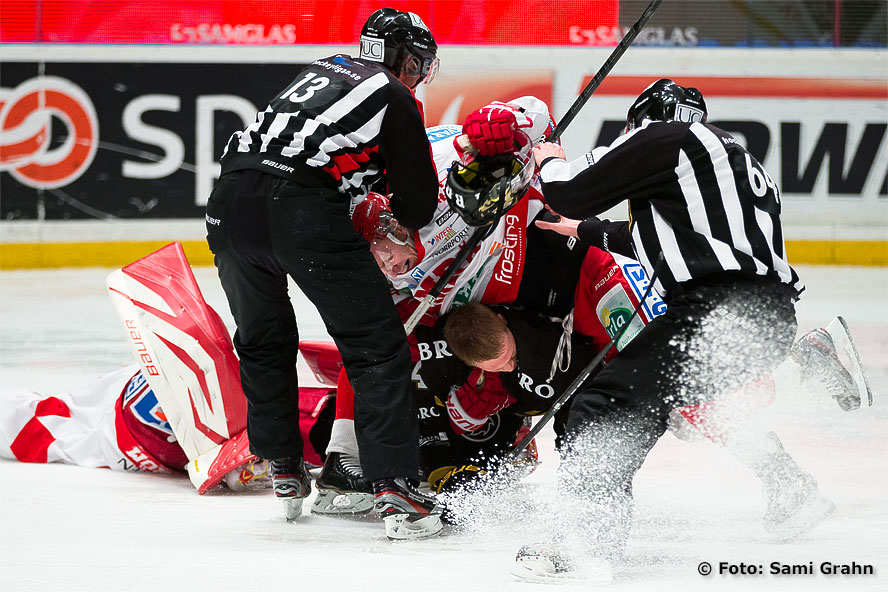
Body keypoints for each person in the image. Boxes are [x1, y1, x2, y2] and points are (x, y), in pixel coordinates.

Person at [504, 78, 812, 580]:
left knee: (602, 404)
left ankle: (583, 539)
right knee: (647, 408)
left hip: (715, 311)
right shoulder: (733, 158)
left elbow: (569, 190)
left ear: (642, 119)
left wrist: (548, 156)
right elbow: (669, 238)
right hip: (765, 319)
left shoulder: (663, 137)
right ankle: (810, 365)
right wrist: (583, 231)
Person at [204, 7, 443, 533]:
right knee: (377, 345)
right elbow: (421, 204)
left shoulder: (323, 67)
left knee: (264, 339)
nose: (418, 74)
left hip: (229, 202)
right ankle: (396, 489)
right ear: (404, 58)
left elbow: (309, 148)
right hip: (297, 209)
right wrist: (387, 218)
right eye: (418, 63)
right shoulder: (395, 95)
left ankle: (284, 466)